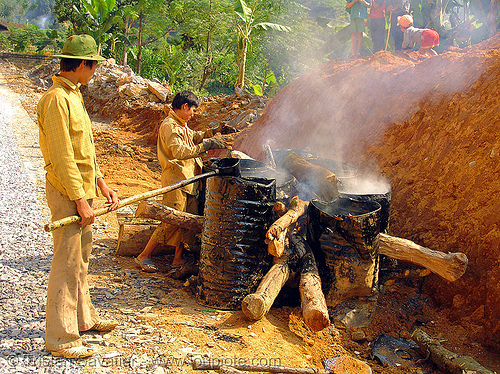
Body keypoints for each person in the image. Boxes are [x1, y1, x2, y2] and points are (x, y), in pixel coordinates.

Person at [37, 35, 120, 359]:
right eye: (94, 63)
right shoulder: (56, 99)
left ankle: (84, 320)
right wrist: (79, 200)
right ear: (83, 64)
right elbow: (62, 157)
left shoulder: (74, 95)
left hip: (82, 190)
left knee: (81, 260)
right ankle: (61, 338)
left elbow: (85, 151)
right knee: (66, 264)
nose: (96, 69)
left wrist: (100, 184)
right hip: (67, 192)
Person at [135, 90, 234, 277]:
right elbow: (180, 152)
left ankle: (177, 259)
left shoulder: (181, 124)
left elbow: (194, 136)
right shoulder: (169, 126)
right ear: (184, 107)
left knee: (185, 220)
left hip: (188, 180)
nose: (193, 114)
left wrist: (214, 132)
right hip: (176, 180)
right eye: (192, 110)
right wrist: (209, 145)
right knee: (171, 220)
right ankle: (144, 255)